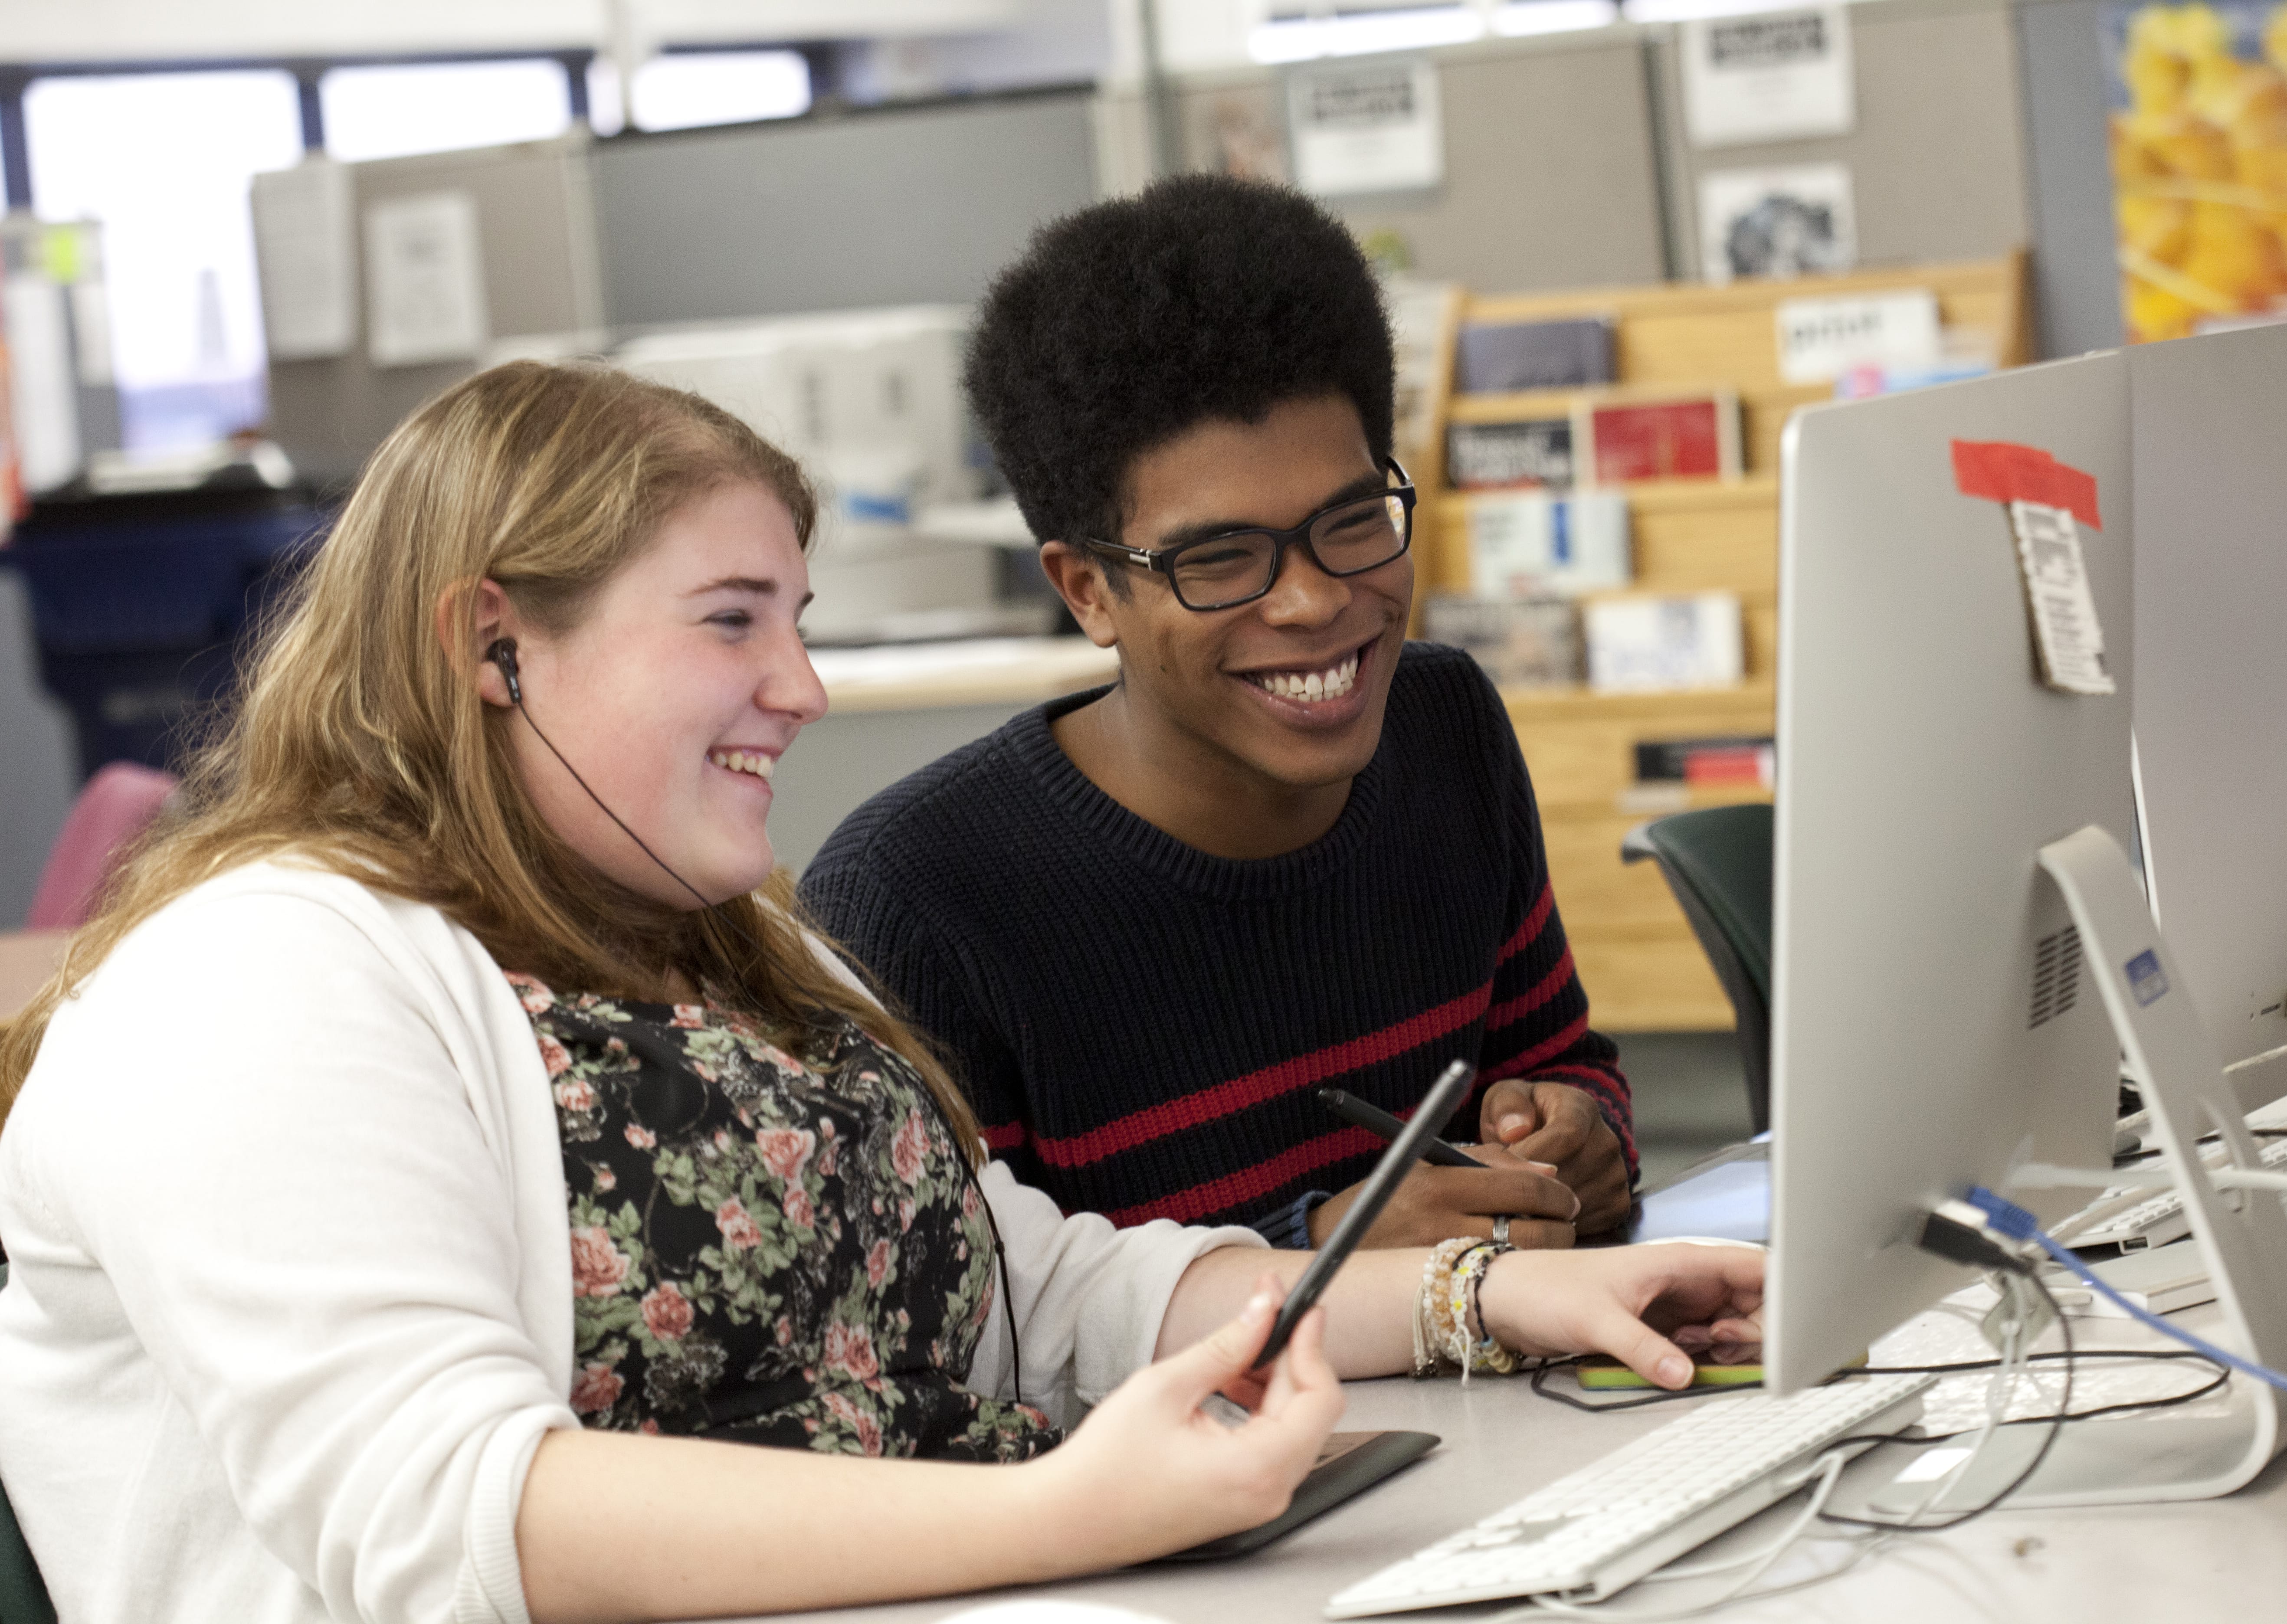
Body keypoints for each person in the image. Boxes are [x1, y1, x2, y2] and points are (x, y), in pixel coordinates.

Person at [0, 360, 1758, 1624]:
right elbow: (455, 1523)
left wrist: (1487, 1297)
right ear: (492, 646)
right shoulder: (252, 981)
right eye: (733, 621)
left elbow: (1041, 1291)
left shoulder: (724, 940)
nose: (807, 685)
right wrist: (1066, 1516)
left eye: (802, 617)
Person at [803, 174, 1636, 1254]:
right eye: (1221, 559)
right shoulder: (915, 906)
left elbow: (1565, 1065)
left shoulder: (1445, 725)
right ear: (1088, 592)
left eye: (1351, 521)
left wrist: (1577, 1139)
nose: (1317, 599)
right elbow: (953, 1348)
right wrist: (1320, 1260)